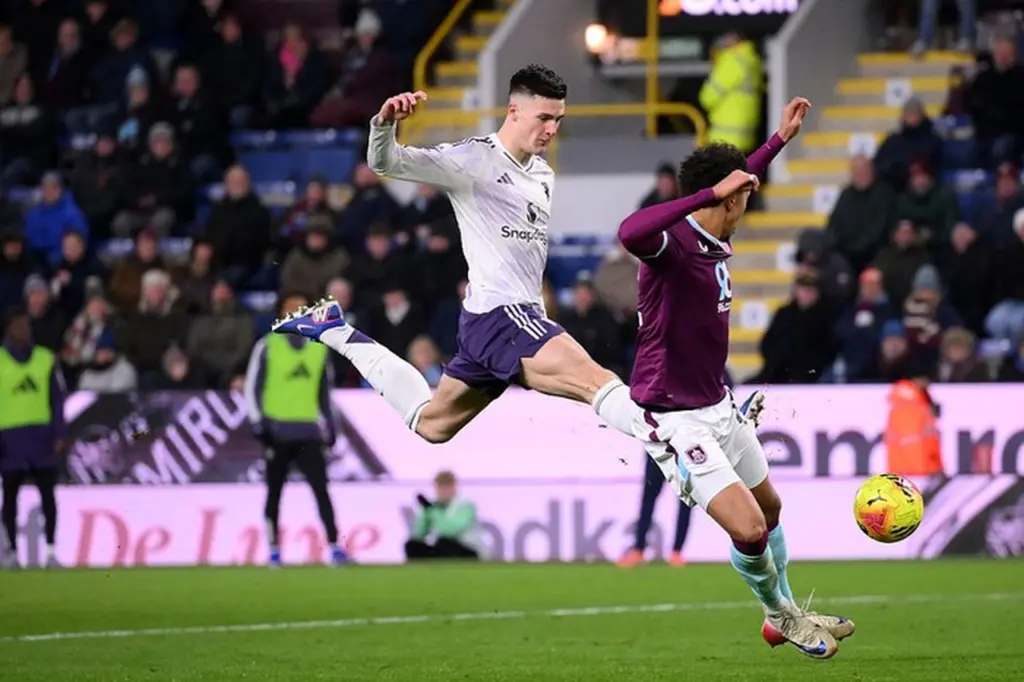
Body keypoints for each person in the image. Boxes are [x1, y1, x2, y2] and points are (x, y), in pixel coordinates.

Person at [272, 65, 640, 448]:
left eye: (558, 120)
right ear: (514, 111)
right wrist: (384, 126)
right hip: (504, 316)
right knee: (596, 382)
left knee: (430, 425)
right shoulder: (472, 159)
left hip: (492, 321)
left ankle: (336, 330)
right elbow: (386, 163)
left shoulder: (542, 174)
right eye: (544, 118)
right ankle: (668, 437)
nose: (551, 129)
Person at [616, 97, 854, 660]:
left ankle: (783, 613)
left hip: (719, 405)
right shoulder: (673, 244)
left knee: (769, 511)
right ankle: (782, 616)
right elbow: (628, 232)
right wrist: (705, 195)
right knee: (747, 529)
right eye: (743, 193)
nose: (749, 200)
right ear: (726, 197)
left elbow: (739, 178)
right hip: (676, 418)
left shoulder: (714, 237)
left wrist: (778, 142)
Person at [244, 293, 349, 568]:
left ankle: (335, 548)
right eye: (290, 308)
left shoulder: (319, 348)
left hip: (308, 432)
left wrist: (330, 427)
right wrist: (258, 424)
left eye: (301, 308)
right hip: (276, 432)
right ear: (281, 313)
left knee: (321, 491)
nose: (296, 312)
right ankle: (273, 551)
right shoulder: (268, 345)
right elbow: (252, 387)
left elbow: (325, 393)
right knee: (274, 493)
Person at [0, 309, 66, 569]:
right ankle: (12, 553)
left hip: (41, 438)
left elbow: (57, 400)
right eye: (19, 326)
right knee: (10, 497)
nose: (24, 331)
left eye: (26, 326)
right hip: (9, 439)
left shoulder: (45, 359)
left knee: (48, 495)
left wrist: (59, 432)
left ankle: (51, 552)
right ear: (9, 329)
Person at [618, 454, 692, 567]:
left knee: (685, 500)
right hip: (657, 452)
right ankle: (638, 549)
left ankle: (677, 551)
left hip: (683, 452)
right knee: (648, 498)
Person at [404, 470, 481, 561]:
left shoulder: (465, 506)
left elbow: (451, 530)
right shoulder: (434, 505)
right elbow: (419, 535)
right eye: (440, 486)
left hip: (467, 548)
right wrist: (425, 512)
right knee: (412, 545)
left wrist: (433, 512)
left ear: (454, 487)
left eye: (447, 486)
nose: (443, 490)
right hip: (443, 547)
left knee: (445, 543)